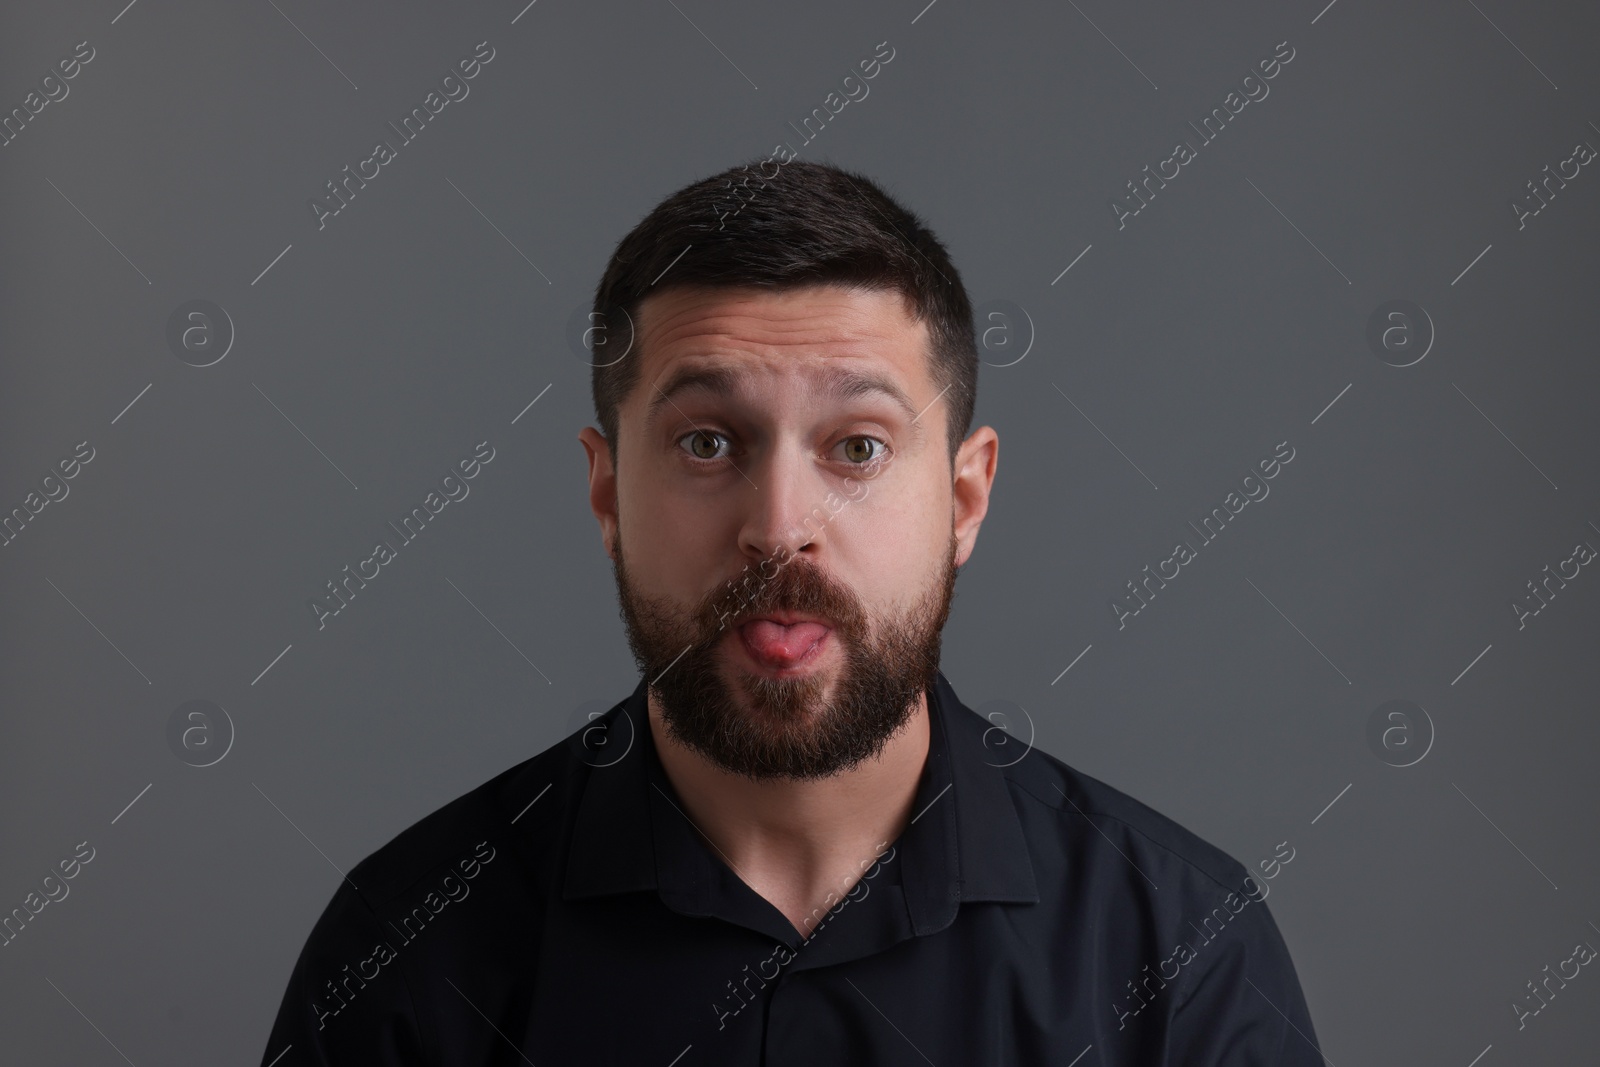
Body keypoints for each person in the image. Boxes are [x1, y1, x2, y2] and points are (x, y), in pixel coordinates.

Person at [259, 158, 1324, 1065]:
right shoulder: (408, 949)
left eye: (856, 446)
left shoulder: (1178, 946)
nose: (778, 527)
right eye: (707, 442)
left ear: (962, 499)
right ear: (606, 493)